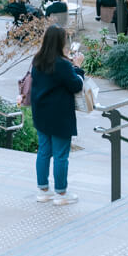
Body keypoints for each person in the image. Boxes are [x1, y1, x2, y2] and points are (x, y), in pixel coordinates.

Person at [29, 25, 85, 205]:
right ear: (61, 42)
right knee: (61, 155)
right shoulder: (62, 64)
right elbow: (76, 85)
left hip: (41, 113)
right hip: (59, 115)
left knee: (44, 151)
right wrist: (77, 67)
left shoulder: (37, 60)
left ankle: (43, 191)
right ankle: (61, 194)